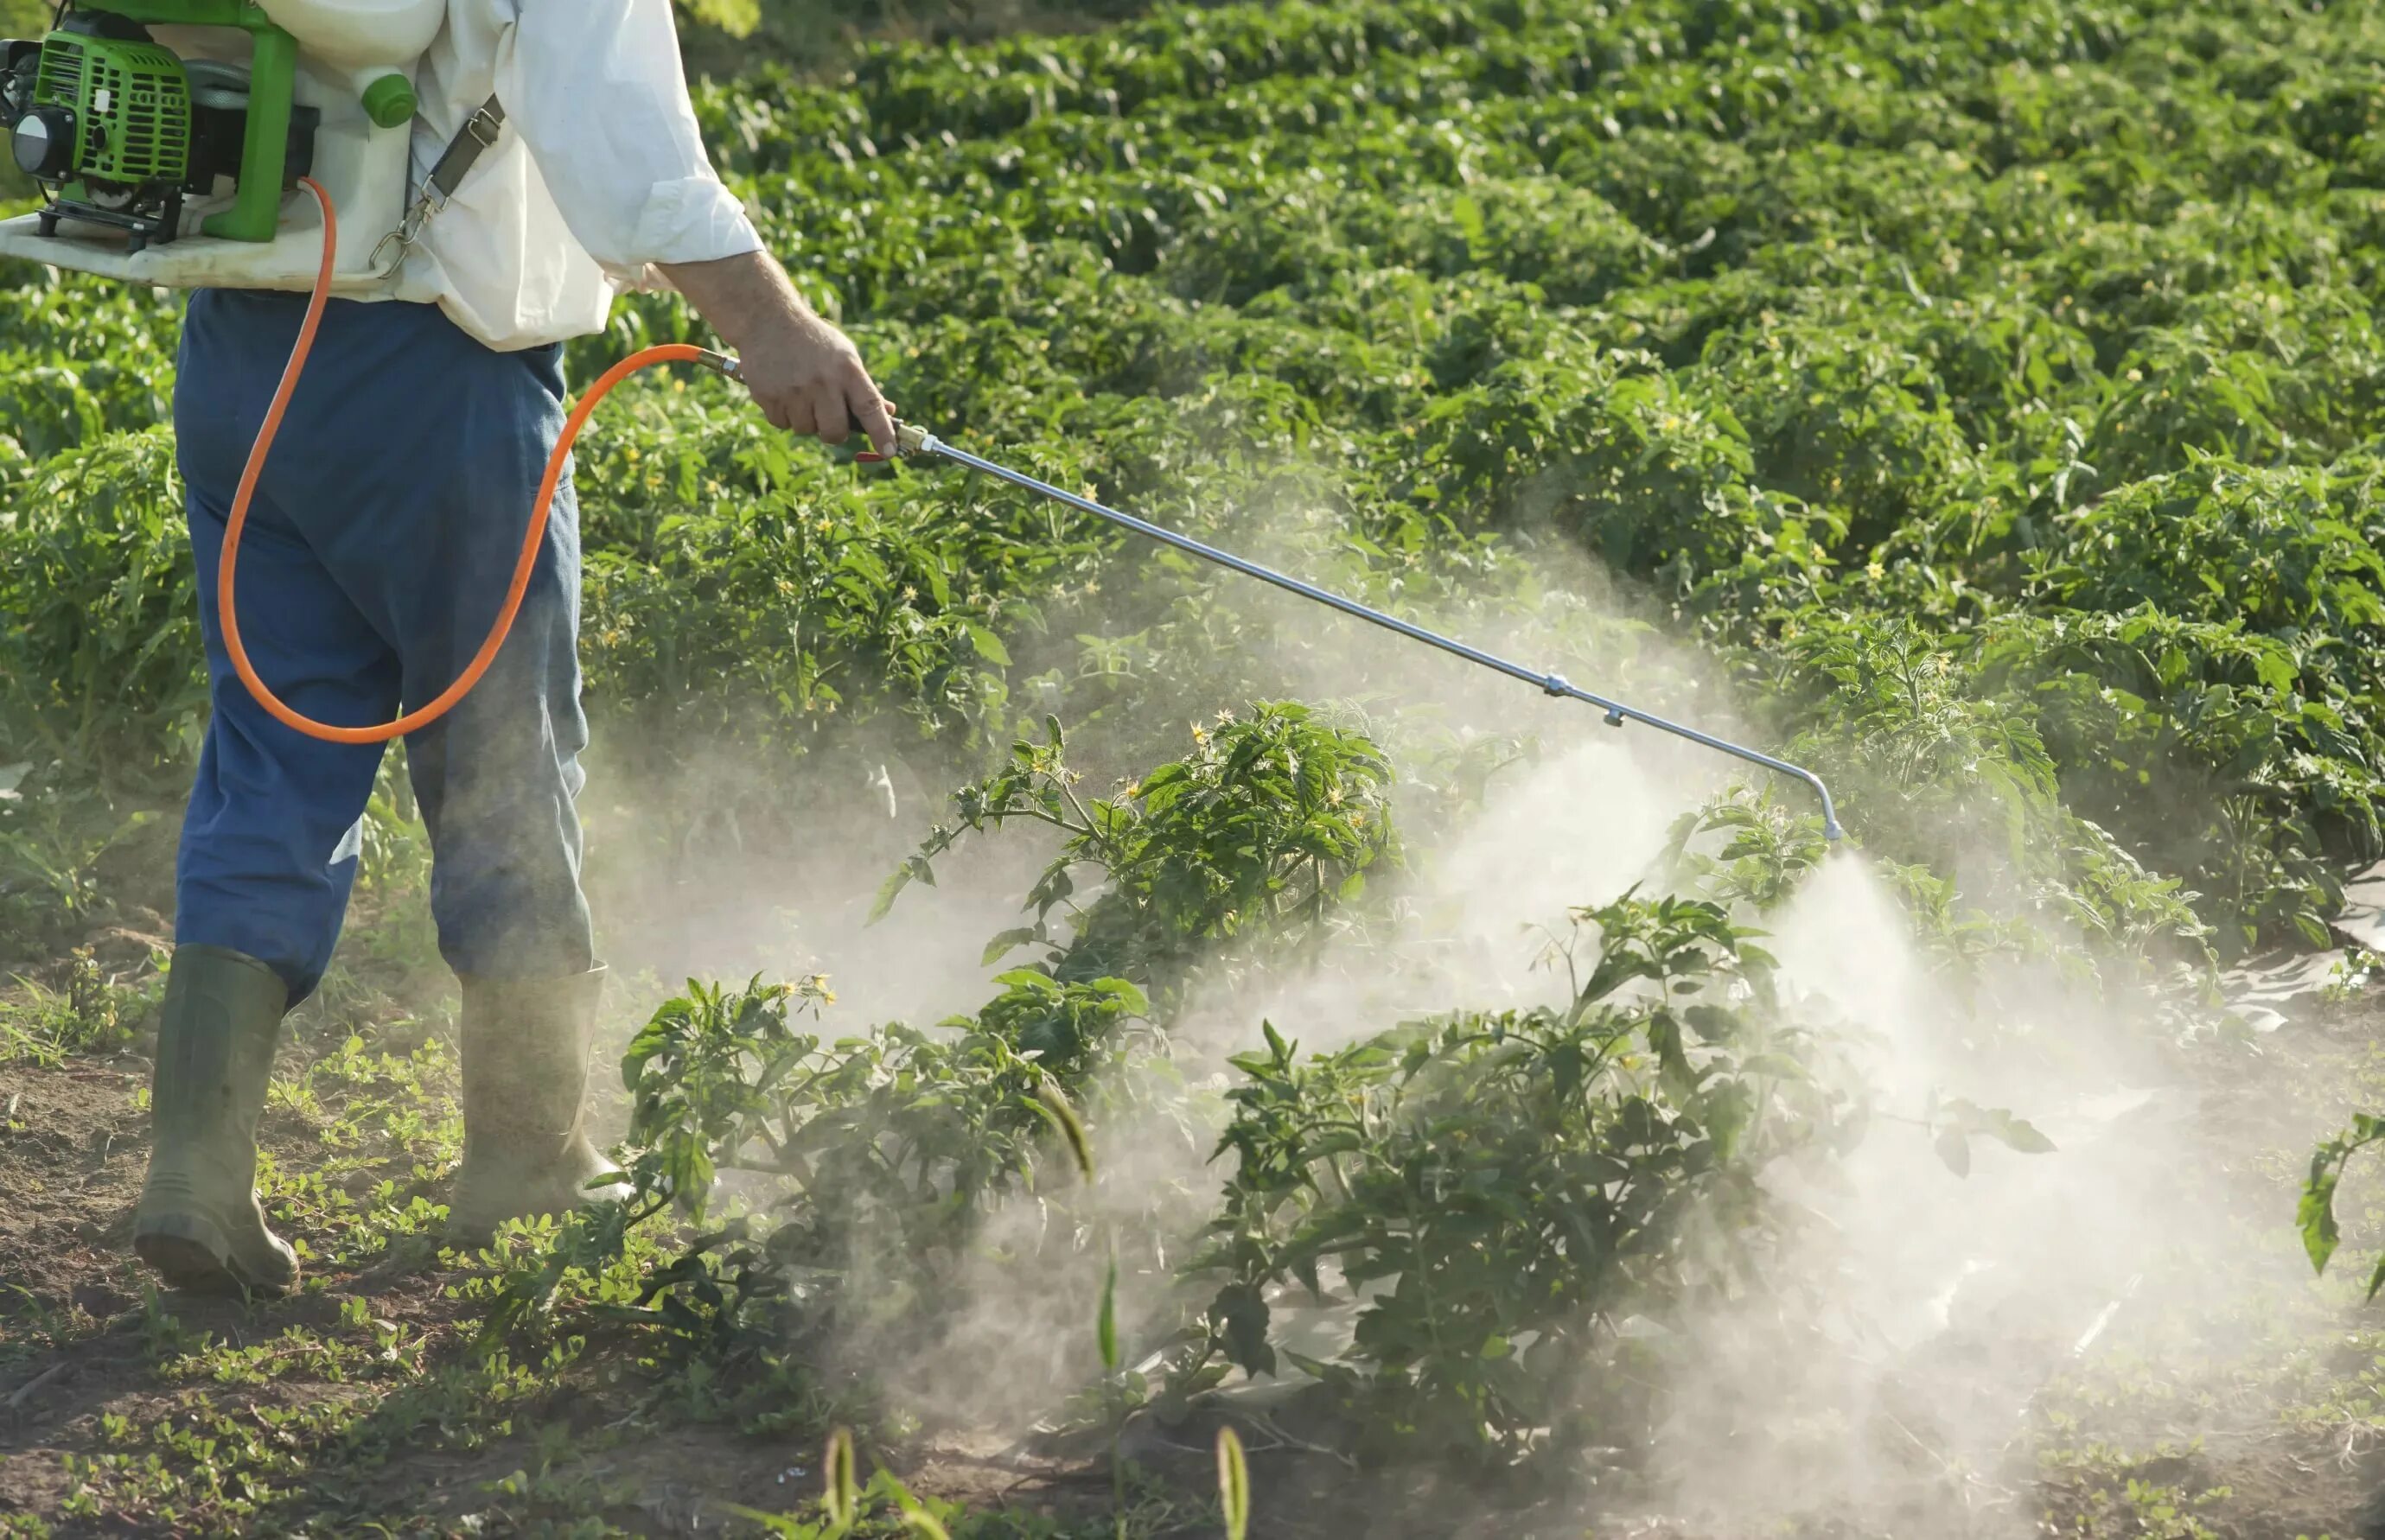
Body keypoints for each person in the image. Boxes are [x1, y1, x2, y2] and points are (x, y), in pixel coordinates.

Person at [132, 0, 894, 1296]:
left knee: (271, 754)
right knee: (504, 757)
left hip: (242, 361)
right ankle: (529, 1158)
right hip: (438, 386)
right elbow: (627, 144)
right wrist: (773, 326)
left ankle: (194, 1176)